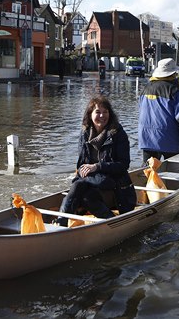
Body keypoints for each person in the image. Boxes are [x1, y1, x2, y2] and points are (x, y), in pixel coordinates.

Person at [55, 96, 137, 227]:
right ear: (90, 114)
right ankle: (63, 223)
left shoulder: (118, 134)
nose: (102, 116)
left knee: (81, 189)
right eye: (98, 112)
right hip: (92, 183)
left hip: (114, 185)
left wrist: (97, 167)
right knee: (84, 193)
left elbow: (123, 165)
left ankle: (61, 223)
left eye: (105, 112)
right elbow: (81, 165)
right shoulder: (85, 133)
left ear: (110, 114)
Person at [138, 58, 179, 163]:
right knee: (174, 173)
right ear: (173, 73)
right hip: (170, 140)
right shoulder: (176, 91)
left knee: (148, 171)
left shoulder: (146, 88)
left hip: (147, 138)